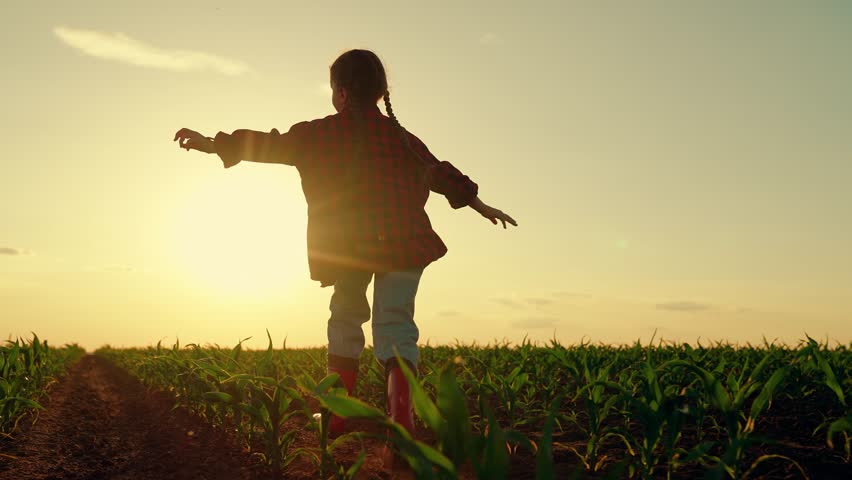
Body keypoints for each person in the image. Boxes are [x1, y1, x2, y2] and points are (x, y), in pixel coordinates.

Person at [173, 49, 517, 441]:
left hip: (348, 246)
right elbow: (439, 173)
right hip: (406, 243)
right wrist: (478, 203)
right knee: (396, 326)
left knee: (345, 319)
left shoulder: (317, 133)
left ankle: (336, 418)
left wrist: (212, 143)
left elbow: (267, 145)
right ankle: (402, 427)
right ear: (381, 91)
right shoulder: (402, 137)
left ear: (339, 92)